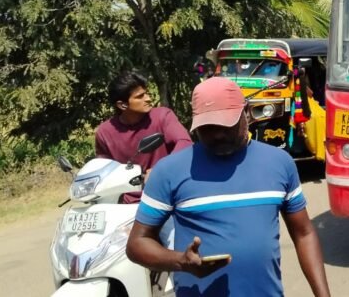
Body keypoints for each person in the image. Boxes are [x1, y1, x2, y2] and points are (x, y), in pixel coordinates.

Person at [126, 77, 331, 297]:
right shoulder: (169, 171)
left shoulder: (279, 163)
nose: (217, 134)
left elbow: (304, 234)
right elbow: (137, 244)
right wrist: (181, 261)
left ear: (246, 113)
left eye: (225, 125)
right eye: (207, 127)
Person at [96, 70, 193, 204]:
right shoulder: (105, 132)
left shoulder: (162, 116)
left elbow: (185, 142)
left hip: (166, 196)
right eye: (140, 96)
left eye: (146, 93)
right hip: (126, 203)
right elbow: (102, 168)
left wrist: (160, 170)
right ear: (123, 105)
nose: (148, 98)